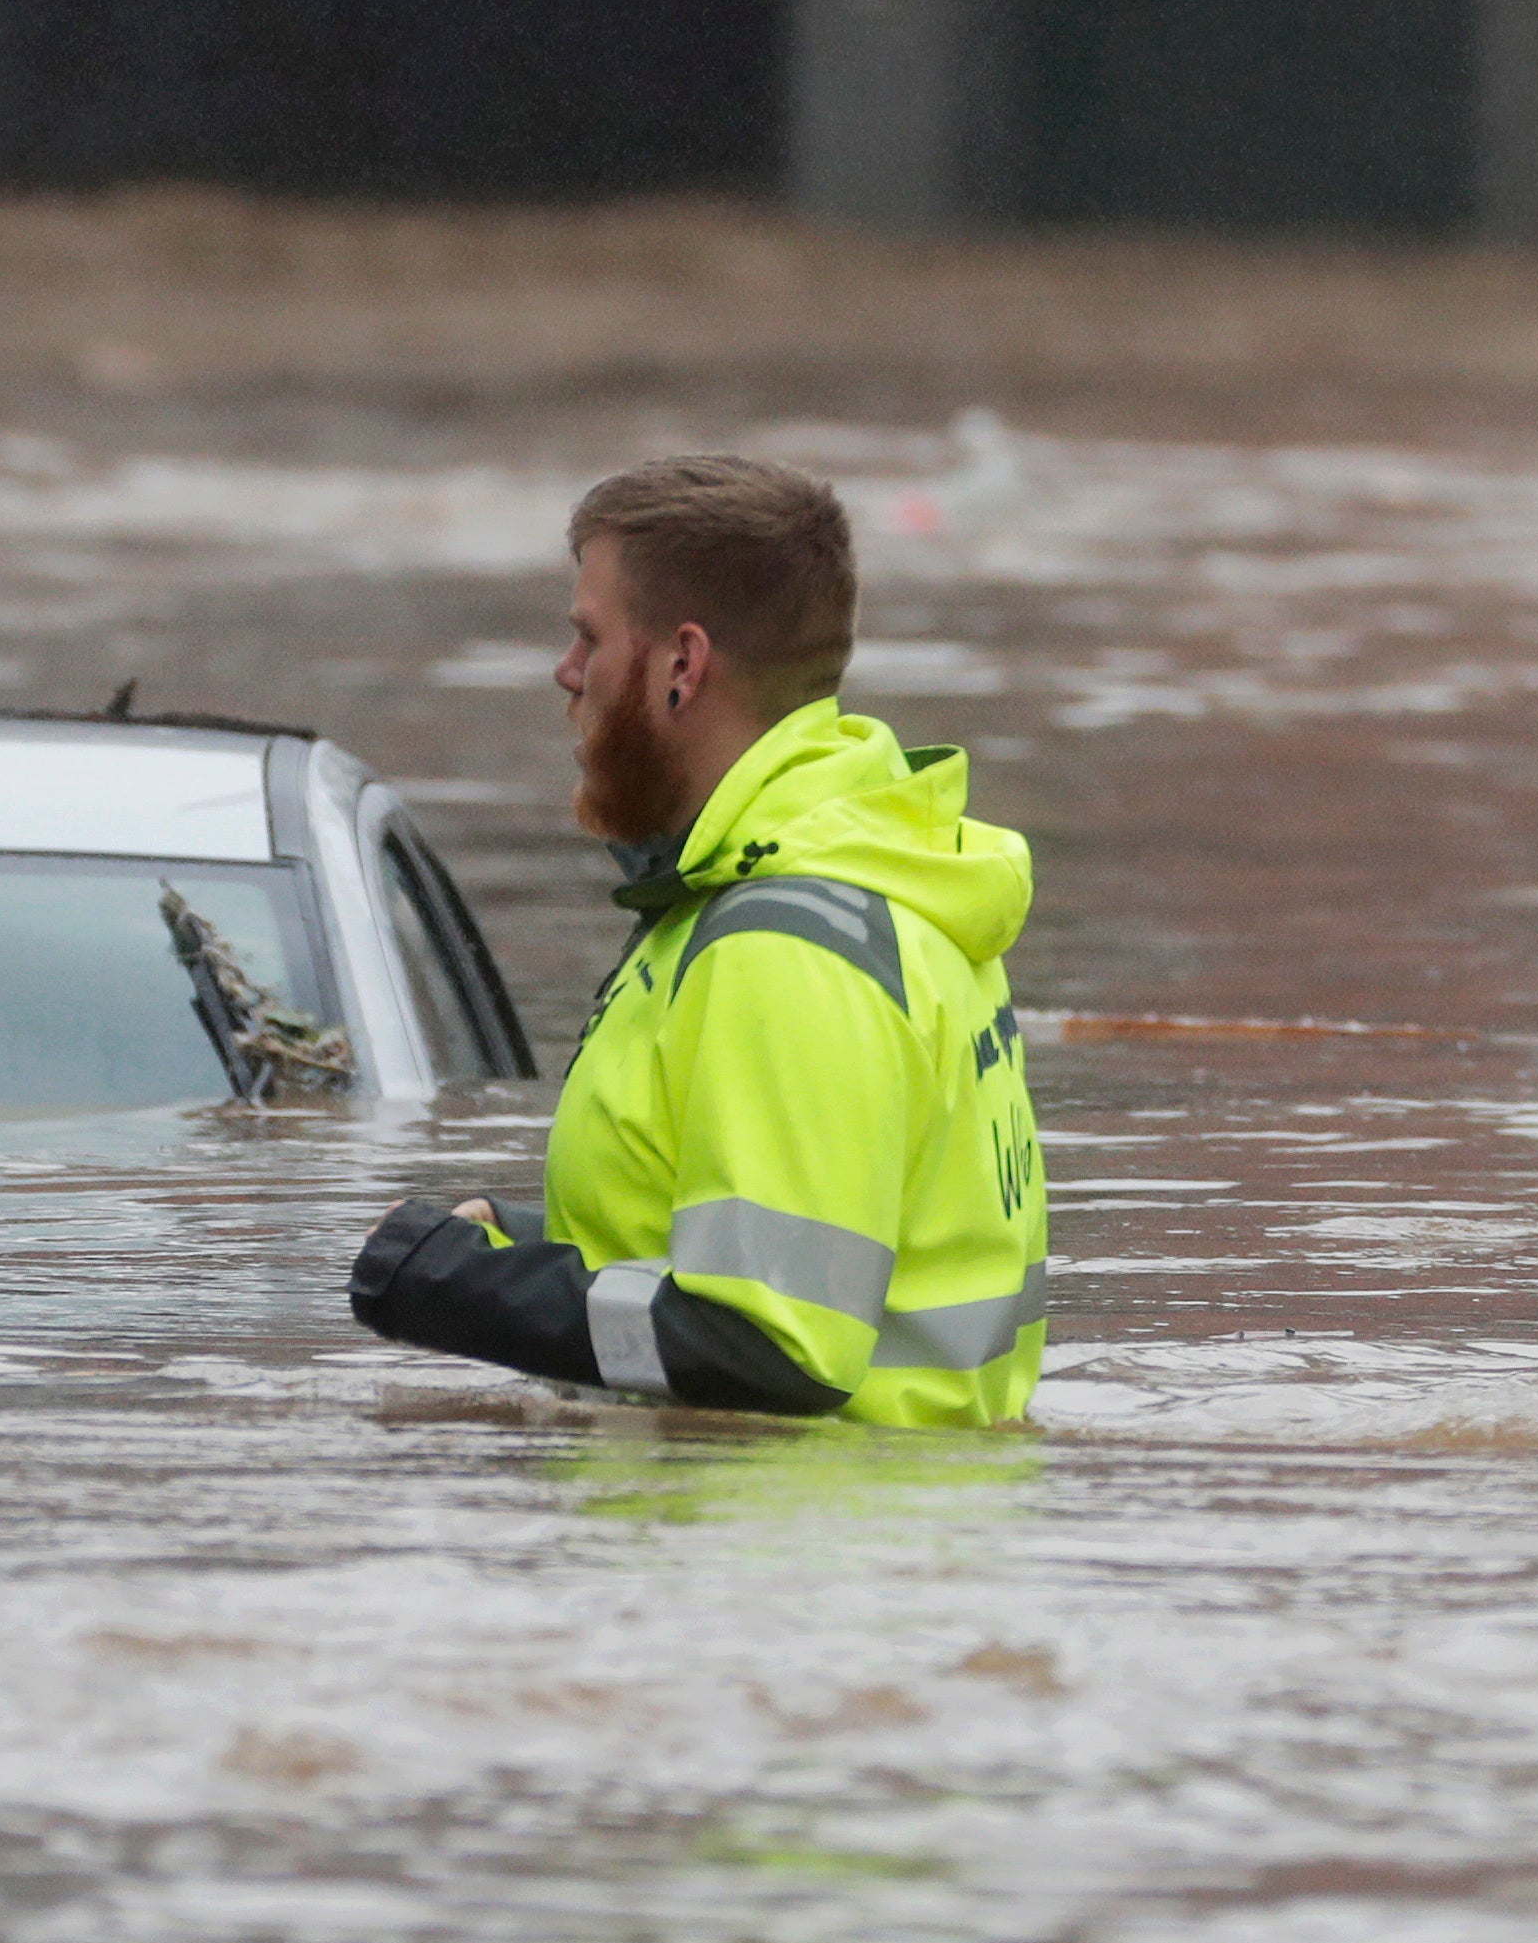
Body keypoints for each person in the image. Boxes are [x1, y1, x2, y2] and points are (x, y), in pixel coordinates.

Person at [347, 455, 1044, 1427]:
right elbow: (809, 1248)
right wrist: (525, 1246)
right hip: (866, 1545)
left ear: (682, 664)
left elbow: (767, 1346)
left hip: (780, 1557)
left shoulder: (782, 943)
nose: (566, 673)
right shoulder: (848, 887)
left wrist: (462, 1291)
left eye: (589, 637)